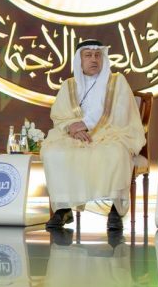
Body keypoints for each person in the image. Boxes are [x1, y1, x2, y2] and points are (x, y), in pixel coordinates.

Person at [41, 39, 145, 231]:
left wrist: (87, 125)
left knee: (116, 153)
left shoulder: (117, 82)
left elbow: (121, 112)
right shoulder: (69, 85)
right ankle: (63, 208)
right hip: (75, 135)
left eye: (98, 55)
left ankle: (116, 208)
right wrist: (72, 127)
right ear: (79, 60)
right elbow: (59, 115)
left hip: (111, 132)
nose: (94, 59)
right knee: (53, 152)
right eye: (88, 55)